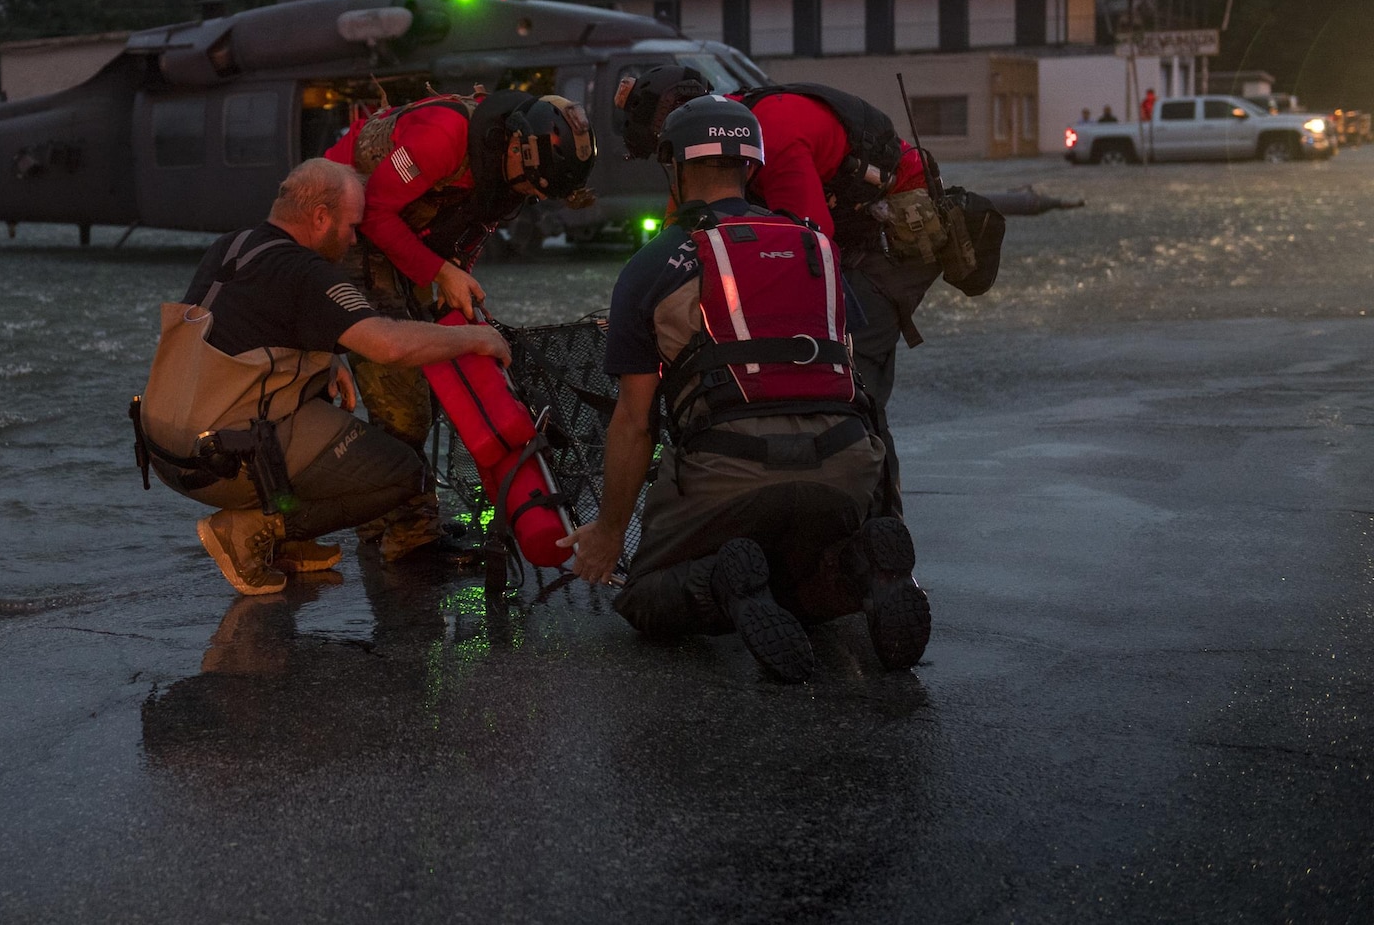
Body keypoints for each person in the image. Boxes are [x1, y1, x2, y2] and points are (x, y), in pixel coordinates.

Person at [560, 96, 932, 681]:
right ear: (752, 167)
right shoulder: (818, 247)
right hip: (844, 462)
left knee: (646, 600)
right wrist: (878, 505)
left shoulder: (653, 265)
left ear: (674, 167)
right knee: (799, 575)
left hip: (726, 473)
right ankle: (865, 567)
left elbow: (635, 422)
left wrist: (609, 533)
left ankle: (724, 583)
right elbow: (856, 384)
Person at [133, 159, 511, 595]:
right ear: (319, 218)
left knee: (317, 394)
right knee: (403, 474)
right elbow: (390, 345)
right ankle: (256, 528)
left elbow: (242, 326)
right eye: (351, 226)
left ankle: (282, 542)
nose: (353, 240)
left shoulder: (232, 245)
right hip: (221, 460)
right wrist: (476, 338)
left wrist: (328, 357)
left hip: (166, 449)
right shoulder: (308, 273)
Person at [614, 68, 967, 513]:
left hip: (886, 240)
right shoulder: (727, 136)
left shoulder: (775, 142)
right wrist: (647, 293)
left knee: (856, 385)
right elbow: (683, 228)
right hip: (842, 222)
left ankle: (881, 529)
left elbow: (817, 251)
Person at [322, 88, 595, 559]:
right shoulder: (444, 140)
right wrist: (438, 273)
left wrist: (457, 278)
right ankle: (409, 540)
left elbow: (467, 229)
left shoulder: (512, 172)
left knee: (433, 381)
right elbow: (374, 212)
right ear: (516, 147)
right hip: (346, 228)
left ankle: (379, 516)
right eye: (530, 185)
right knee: (405, 396)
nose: (529, 195)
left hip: (398, 233)